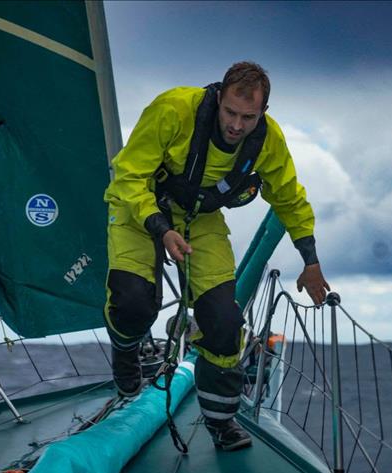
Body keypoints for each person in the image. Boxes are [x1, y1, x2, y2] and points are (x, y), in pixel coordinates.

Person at [103, 62, 329, 451]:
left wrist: (310, 260)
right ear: (218, 97)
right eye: (230, 113)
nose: (237, 125)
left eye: (248, 117)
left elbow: (289, 198)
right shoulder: (173, 110)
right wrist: (161, 228)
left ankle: (221, 421)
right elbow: (127, 175)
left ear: (263, 114)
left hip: (200, 218)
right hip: (139, 206)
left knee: (224, 320)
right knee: (133, 300)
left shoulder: (268, 140)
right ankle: (126, 354)